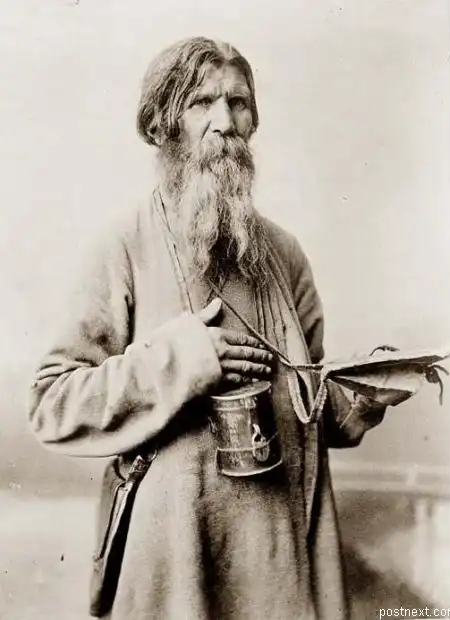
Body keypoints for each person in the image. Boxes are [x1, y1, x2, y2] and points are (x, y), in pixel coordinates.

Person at [28, 37, 388, 620]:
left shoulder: (285, 254)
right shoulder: (122, 246)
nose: (225, 122)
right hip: (175, 566)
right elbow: (52, 403)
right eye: (202, 103)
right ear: (160, 125)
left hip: (279, 560)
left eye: (238, 103)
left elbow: (310, 410)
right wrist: (183, 359)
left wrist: (361, 397)